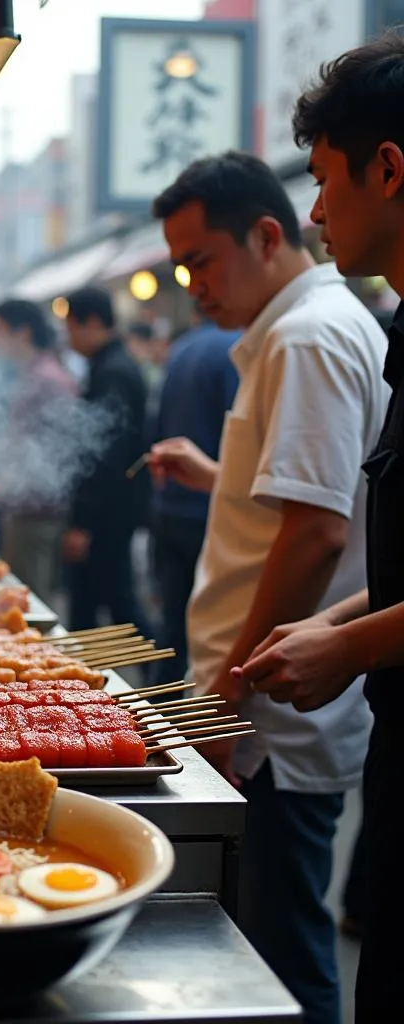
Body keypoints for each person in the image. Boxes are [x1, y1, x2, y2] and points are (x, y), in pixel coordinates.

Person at [147, 151, 388, 1024]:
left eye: (201, 259)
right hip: (267, 708)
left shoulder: (307, 335)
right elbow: (315, 496)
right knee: (264, 945)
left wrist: (221, 699)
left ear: (266, 235)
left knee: (281, 961)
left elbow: (319, 533)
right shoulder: (296, 329)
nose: (192, 284)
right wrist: (219, 475)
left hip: (272, 722)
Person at [233, 35, 404, 1021]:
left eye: (327, 177)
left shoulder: (321, 328)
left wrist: (347, 640)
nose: (315, 211)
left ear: (387, 169)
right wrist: (345, 637)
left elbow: (314, 528)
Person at [148, 312, 240, 684]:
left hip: (170, 505)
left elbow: (152, 430)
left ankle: (161, 716)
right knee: (210, 628)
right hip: (211, 509)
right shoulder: (237, 350)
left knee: (174, 624)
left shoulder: (181, 350)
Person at [62, 287, 152, 637]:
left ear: (93, 323)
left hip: (108, 513)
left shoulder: (113, 372)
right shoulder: (109, 365)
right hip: (111, 509)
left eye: (71, 328)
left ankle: (161, 679)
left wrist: (83, 521)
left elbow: (105, 456)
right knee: (97, 600)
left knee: (118, 602)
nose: (68, 339)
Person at [0, 298, 78, 601]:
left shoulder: (48, 379)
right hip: (23, 509)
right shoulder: (34, 374)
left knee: (29, 603)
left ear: (23, 332)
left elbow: (59, 452)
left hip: (37, 514)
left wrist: (11, 483)